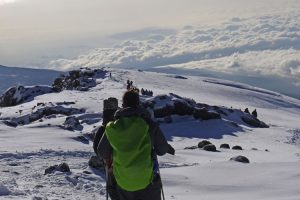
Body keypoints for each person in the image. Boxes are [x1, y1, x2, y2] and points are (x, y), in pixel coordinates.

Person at [98, 90, 175, 200]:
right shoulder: (149, 124)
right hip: (147, 182)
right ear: (138, 104)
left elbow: (102, 151)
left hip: (123, 182)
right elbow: (162, 150)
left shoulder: (112, 127)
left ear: (123, 105)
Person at [93, 99, 119, 200]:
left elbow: (97, 148)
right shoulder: (120, 126)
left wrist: (104, 158)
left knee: (113, 188)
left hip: (109, 164)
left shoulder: (103, 129)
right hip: (124, 162)